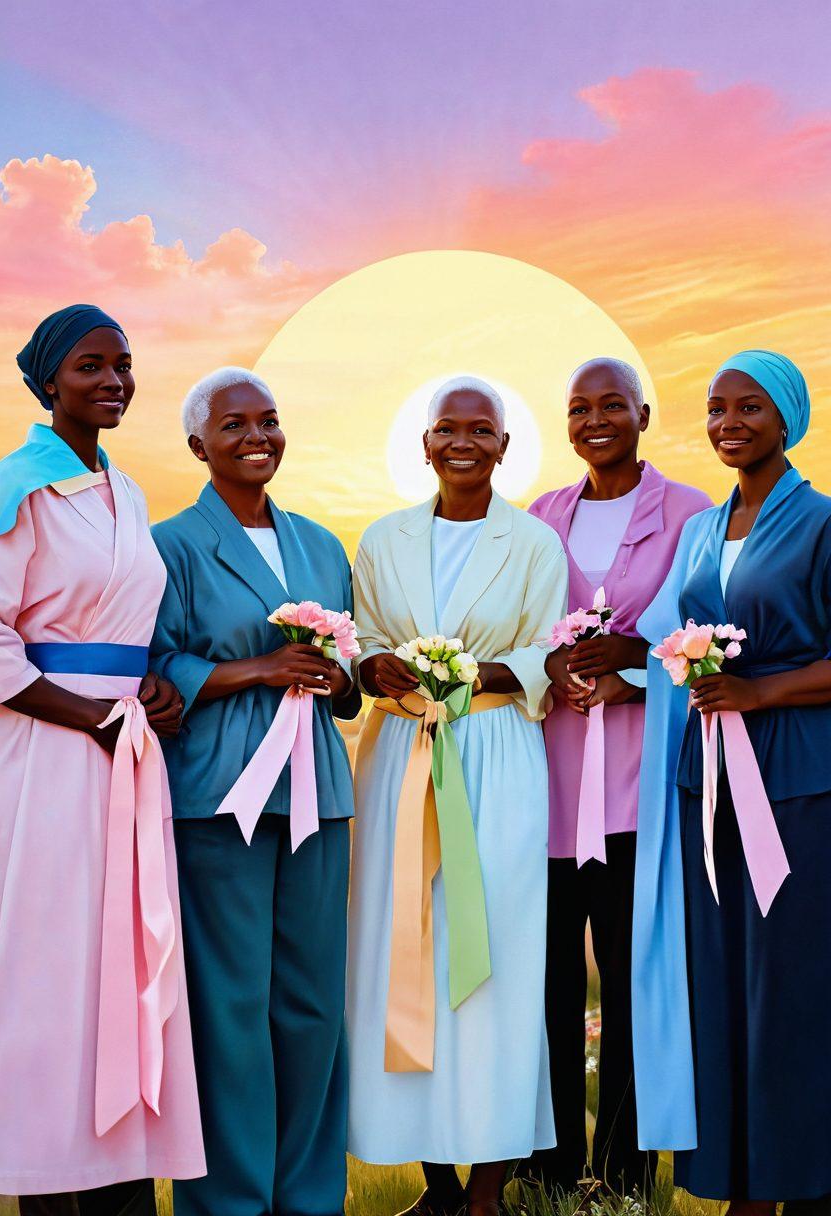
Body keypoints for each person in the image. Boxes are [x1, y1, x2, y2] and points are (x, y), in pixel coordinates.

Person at [0, 305, 205, 1214]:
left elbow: (130, 631)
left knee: (125, 961)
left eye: (124, 364)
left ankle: (120, 1176)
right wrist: (88, 713)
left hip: (126, 750)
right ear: (49, 382)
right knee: (49, 968)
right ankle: (46, 1179)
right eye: (91, 366)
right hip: (44, 754)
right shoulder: (17, 490)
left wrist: (152, 687)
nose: (114, 380)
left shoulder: (129, 493)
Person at [346, 375, 568, 1216]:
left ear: (505, 447)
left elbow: (548, 652)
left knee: (492, 961)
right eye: (448, 429)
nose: (464, 441)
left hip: (494, 753)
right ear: (426, 443)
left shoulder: (536, 544)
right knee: (406, 951)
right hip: (403, 751)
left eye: (483, 429)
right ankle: (433, 1181)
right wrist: (375, 668)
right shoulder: (382, 539)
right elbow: (362, 644)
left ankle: (486, 1191)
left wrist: (464, 673)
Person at [150, 367, 362, 1216]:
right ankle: (230, 1201)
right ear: (199, 445)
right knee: (229, 1010)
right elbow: (156, 664)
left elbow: (345, 676)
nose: (257, 437)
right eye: (234, 425)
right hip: (218, 796)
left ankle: (309, 1197)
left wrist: (338, 676)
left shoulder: (321, 543)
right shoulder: (169, 545)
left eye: (269, 421)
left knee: (313, 1005)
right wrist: (256, 669)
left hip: (319, 792)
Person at [632, 351, 831, 1214]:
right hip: (706, 779)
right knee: (720, 978)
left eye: (749, 409)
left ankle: (807, 1178)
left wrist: (761, 691)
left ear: (787, 420)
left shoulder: (822, 523)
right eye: (715, 410)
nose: (727, 424)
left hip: (796, 778)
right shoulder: (700, 531)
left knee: (792, 982)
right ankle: (742, 1183)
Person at [523, 358, 710, 1196]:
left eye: (611, 405)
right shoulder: (540, 517)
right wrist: (554, 660)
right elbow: (523, 626)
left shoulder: (689, 514)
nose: (594, 420)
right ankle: (553, 1171)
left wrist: (635, 659)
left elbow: (707, 633)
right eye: (578, 408)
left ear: (643, 411)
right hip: (552, 790)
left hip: (641, 787)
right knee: (552, 988)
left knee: (635, 985)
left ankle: (628, 1176)